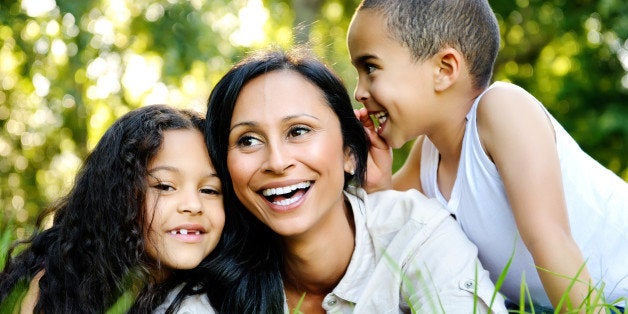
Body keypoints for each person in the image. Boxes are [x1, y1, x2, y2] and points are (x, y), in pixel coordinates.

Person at [347, 0, 628, 311]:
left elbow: (551, 239)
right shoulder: (428, 156)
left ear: (444, 70)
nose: (359, 91)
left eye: (370, 68)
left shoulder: (502, 110)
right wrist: (378, 183)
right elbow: (385, 235)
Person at [205, 47, 507, 313]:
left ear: (350, 150)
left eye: (299, 131)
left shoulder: (416, 234)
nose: (277, 162)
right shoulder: (211, 269)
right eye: (248, 140)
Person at [0, 105, 224, 313]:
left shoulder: (218, 297)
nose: (193, 205)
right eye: (164, 186)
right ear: (117, 196)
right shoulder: (52, 288)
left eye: (210, 190)